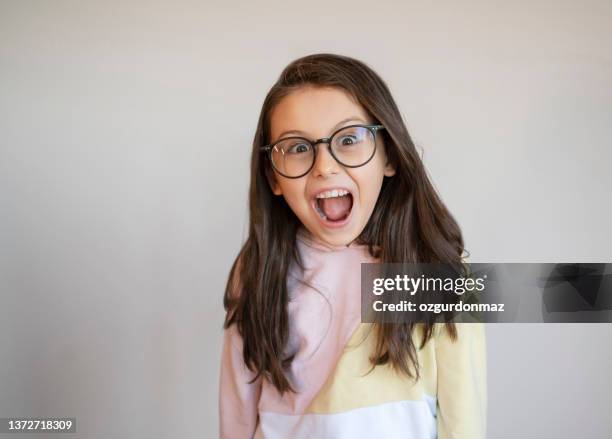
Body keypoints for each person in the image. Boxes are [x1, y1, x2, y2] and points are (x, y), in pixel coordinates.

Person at [218, 53, 486, 439]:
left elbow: (465, 419)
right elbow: (237, 412)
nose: (324, 166)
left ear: (390, 155)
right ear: (273, 178)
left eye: (349, 139)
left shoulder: (435, 269)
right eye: (296, 147)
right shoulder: (258, 268)